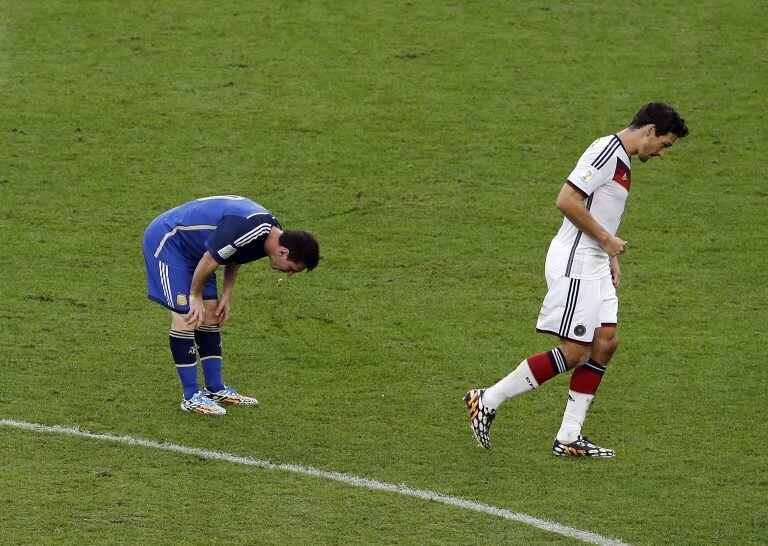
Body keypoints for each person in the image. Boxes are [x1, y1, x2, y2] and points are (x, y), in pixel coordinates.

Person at [465, 102, 688, 457]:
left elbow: (600, 210)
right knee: (576, 351)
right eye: (664, 144)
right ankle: (487, 399)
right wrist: (604, 241)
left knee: (606, 343)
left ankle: (568, 437)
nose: (661, 153)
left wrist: (610, 254)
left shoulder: (623, 161)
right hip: (576, 262)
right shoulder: (605, 152)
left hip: (596, 261)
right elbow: (566, 201)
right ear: (650, 131)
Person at [142, 195, 319, 415]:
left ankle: (215, 389)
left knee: (210, 315)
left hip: (199, 252)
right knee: (186, 315)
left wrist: (227, 293)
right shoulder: (250, 228)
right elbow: (212, 258)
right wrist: (194, 296)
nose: (290, 274)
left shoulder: (271, 234)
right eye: (293, 268)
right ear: (283, 253)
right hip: (170, 243)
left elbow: (235, 253)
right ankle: (190, 396)